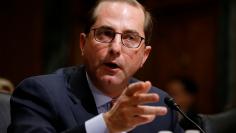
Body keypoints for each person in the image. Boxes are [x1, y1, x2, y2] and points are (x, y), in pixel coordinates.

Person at [8, 0, 184, 133]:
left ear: (144, 56)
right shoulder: (40, 94)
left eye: (130, 38)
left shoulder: (160, 105)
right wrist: (106, 125)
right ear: (83, 43)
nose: (115, 48)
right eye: (105, 34)